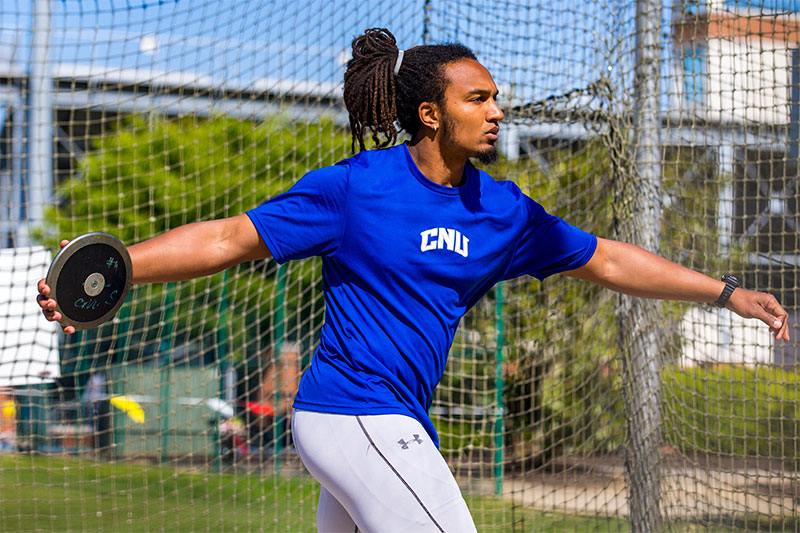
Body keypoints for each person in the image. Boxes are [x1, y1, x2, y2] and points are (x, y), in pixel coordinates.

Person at [38, 28, 789, 532]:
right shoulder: (356, 189)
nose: (498, 111)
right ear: (430, 113)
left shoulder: (501, 208)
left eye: (496, 97)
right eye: (479, 99)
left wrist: (725, 292)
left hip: (392, 421)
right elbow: (231, 238)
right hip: (350, 413)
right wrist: (120, 265)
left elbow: (606, 258)